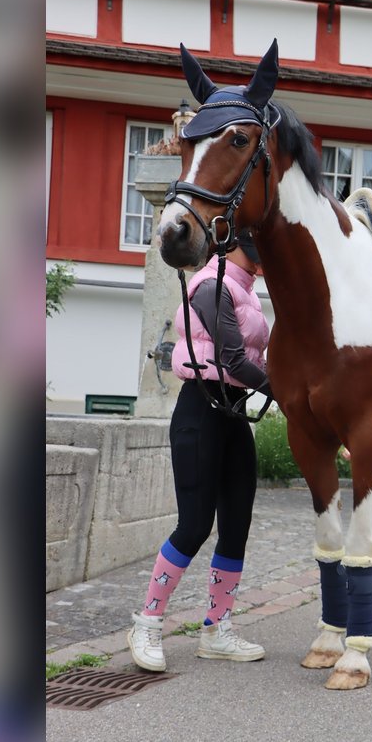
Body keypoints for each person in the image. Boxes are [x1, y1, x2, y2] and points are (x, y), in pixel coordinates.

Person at [127, 235, 271, 671]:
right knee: (194, 525)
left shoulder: (245, 290)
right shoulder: (213, 285)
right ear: (240, 243)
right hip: (200, 412)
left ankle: (216, 628)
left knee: (236, 526)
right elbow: (232, 358)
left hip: (232, 415)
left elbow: (255, 359)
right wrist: (291, 391)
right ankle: (147, 624)